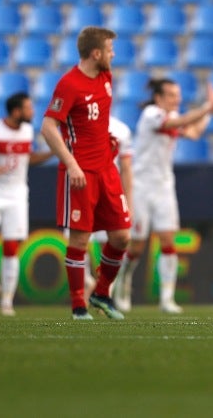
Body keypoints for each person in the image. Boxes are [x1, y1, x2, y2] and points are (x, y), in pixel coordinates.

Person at [40, 26, 129, 321]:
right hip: (80, 173)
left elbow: (95, 122)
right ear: (96, 54)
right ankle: (78, 305)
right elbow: (48, 127)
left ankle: (101, 293)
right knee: (80, 241)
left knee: (121, 236)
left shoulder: (106, 77)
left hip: (106, 168)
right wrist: (72, 163)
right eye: (109, 49)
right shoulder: (69, 84)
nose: (113, 54)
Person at [113, 78, 213, 314]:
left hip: (164, 187)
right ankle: (123, 282)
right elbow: (181, 122)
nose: (176, 99)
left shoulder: (171, 118)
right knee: (136, 246)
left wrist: (212, 110)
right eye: (171, 94)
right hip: (141, 186)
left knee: (168, 240)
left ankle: (167, 299)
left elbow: (194, 132)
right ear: (159, 98)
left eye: (178, 94)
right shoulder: (152, 114)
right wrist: (205, 108)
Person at [0, 92, 53, 316]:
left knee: (10, 248)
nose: (32, 112)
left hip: (16, 196)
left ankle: (7, 300)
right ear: (16, 111)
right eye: (28, 108)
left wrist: (52, 152)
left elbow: (29, 159)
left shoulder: (27, 132)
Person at [83, 115, 134, 298]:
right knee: (78, 243)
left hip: (110, 193)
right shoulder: (75, 121)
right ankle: (86, 288)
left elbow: (126, 168)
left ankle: (106, 290)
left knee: (115, 240)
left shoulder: (121, 129)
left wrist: (129, 202)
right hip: (81, 190)